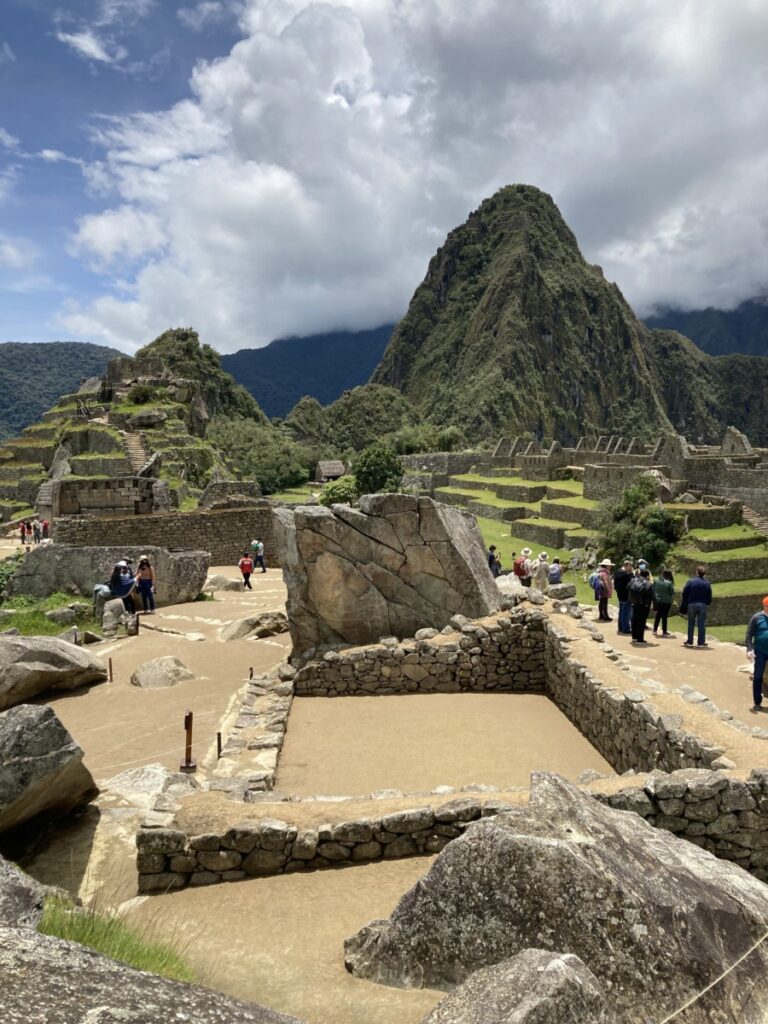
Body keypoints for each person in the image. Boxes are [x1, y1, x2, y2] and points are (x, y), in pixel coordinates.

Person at [680, 565, 712, 648]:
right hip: (703, 604)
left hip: (692, 604)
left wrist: (686, 601)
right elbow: (709, 595)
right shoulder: (707, 583)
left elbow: (684, 593)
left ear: (697, 572)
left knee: (691, 623)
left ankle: (690, 641)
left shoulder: (690, 581)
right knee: (701, 624)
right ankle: (701, 642)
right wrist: (707, 603)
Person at [746, 597, 768, 711]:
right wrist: (749, 649)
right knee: (758, 676)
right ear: (764, 606)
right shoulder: (756, 618)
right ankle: (757, 702)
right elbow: (749, 634)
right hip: (760, 651)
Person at [628, 568, 655, 643]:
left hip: (634, 602)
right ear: (647, 576)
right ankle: (640, 639)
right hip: (644, 605)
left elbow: (628, 587)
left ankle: (634, 637)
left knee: (634, 620)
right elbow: (653, 596)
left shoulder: (633, 580)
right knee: (642, 621)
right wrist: (655, 606)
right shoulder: (649, 584)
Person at [612, 559, 634, 635]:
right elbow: (632, 580)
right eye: (630, 566)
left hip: (620, 595)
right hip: (626, 596)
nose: (631, 567)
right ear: (626, 565)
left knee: (621, 611)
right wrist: (631, 574)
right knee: (626, 613)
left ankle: (621, 627)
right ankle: (626, 628)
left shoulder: (616, 573)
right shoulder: (626, 575)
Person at [652, 569, 675, 637]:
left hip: (658, 600)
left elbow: (653, 588)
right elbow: (672, 592)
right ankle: (664, 631)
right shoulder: (669, 583)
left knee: (658, 615)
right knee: (664, 616)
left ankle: (655, 630)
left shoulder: (656, 580)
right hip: (667, 601)